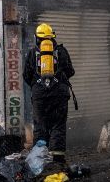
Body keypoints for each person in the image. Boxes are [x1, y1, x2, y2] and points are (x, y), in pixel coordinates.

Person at [23, 23, 75, 165]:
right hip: (59, 95)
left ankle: (39, 159)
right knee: (58, 125)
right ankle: (57, 159)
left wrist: (38, 86)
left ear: (37, 38)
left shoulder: (32, 53)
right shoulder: (62, 51)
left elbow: (26, 75)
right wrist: (57, 80)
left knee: (40, 126)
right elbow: (70, 71)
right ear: (53, 37)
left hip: (40, 96)